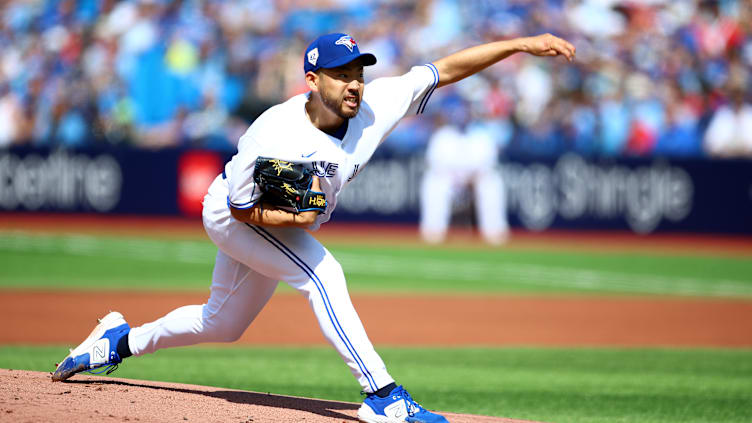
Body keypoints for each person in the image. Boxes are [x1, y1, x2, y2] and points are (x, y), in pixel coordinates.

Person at [53, 32, 575, 423]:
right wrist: (294, 219)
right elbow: (239, 209)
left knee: (222, 323)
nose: (354, 83)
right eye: (342, 73)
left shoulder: (375, 106)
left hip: (264, 217)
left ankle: (118, 341)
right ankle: (382, 396)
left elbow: (442, 69)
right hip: (235, 212)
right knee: (323, 274)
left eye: (359, 71)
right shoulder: (274, 131)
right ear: (312, 81)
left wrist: (521, 44)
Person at [420, 94, 510, 245]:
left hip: (474, 181)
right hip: (449, 182)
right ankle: (433, 232)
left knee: (492, 182)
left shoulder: (481, 135)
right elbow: (435, 166)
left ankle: (495, 232)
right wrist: (456, 179)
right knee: (434, 182)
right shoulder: (443, 135)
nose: (462, 118)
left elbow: (486, 167)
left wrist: (471, 180)